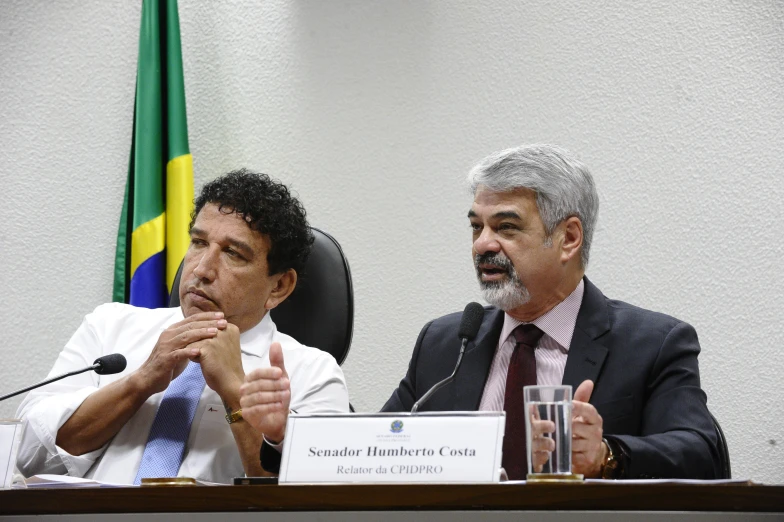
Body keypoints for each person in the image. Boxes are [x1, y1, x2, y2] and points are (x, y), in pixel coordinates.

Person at [382, 144, 721, 480]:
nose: (482, 244)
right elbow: (378, 450)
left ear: (569, 238)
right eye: (476, 226)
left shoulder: (651, 345)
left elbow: (701, 452)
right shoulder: (443, 345)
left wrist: (607, 454)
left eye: (506, 227)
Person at [16, 169, 349, 484]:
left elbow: (313, 503)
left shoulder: (314, 375)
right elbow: (27, 453)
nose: (202, 269)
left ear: (278, 287)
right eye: (199, 243)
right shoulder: (110, 328)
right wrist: (140, 382)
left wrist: (236, 393)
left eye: (233, 253)